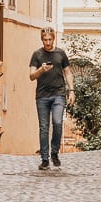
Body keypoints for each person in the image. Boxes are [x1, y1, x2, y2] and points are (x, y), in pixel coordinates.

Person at [28, 27, 73, 170]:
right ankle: (45, 159)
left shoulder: (61, 54)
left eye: (50, 39)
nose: (47, 42)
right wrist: (41, 69)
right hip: (42, 96)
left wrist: (72, 91)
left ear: (53, 39)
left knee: (58, 123)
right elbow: (31, 76)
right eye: (45, 40)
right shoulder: (37, 55)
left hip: (59, 94)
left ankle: (54, 152)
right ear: (42, 40)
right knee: (44, 128)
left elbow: (68, 72)